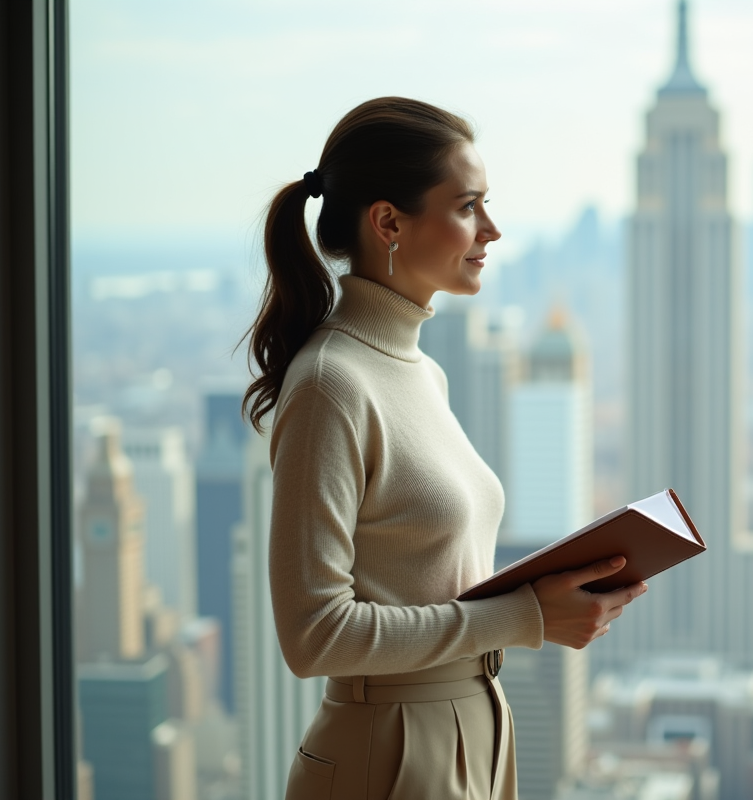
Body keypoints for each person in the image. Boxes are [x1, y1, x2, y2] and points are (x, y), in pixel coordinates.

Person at [242, 97, 647, 800]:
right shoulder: (332, 384)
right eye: (467, 206)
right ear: (388, 223)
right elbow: (314, 635)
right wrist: (525, 616)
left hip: (474, 726)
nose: (491, 229)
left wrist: (548, 596)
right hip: (390, 750)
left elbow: (424, 572)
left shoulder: (422, 371)